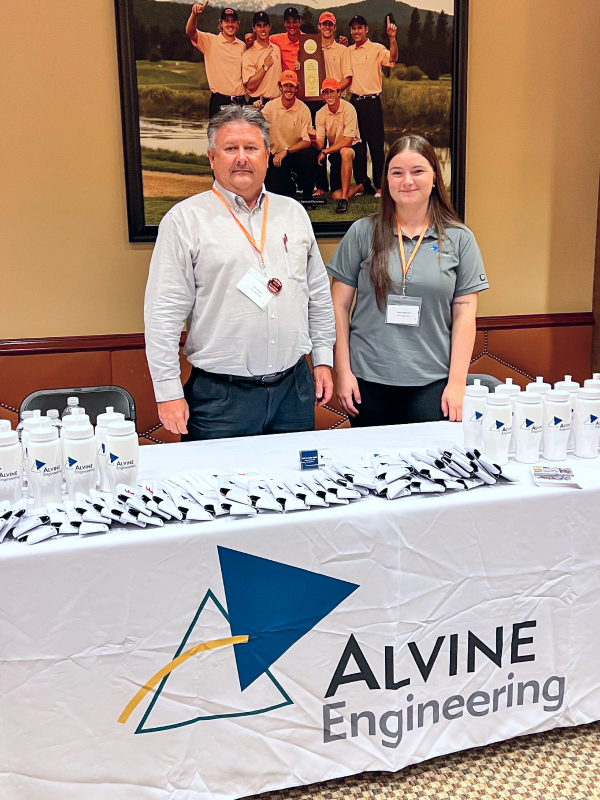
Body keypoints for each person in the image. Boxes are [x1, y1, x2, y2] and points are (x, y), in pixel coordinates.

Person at [144, 105, 335, 441]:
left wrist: (322, 358)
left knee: (293, 491)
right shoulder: (184, 220)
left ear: (266, 154)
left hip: (295, 390)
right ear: (211, 157)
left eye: (251, 148)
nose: (242, 158)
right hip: (222, 399)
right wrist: (168, 391)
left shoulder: (293, 214)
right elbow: (163, 315)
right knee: (219, 493)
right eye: (230, 148)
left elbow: (317, 295)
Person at [327, 133, 489, 426]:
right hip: (366, 382)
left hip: (433, 384)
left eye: (418, 171)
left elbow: (465, 316)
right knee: (373, 469)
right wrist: (343, 371)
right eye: (397, 172)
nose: (407, 181)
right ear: (386, 180)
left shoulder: (459, 239)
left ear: (435, 178)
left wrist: (457, 383)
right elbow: (337, 307)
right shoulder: (362, 232)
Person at [347, 14, 398, 194]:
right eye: (353, 28)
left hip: (373, 102)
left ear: (366, 29)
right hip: (355, 103)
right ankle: (363, 184)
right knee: (357, 146)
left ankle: (380, 186)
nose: (356, 31)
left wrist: (392, 38)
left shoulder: (377, 48)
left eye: (360, 27)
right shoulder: (348, 51)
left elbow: (393, 58)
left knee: (376, 146)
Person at [312, 79, 374, 214]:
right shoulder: (320, 114)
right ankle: (360, 187)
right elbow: (320, 143)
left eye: (332, 91)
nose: (329, 95)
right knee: (335, 195)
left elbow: (347, 141)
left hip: (354, 148)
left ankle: (344, 200)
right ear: (323, 95)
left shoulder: (349, 109)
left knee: (345, 151)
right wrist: (310, 137)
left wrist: (325, 151)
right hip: (335, 151)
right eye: (326, 92)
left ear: (339, 92)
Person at [262, 71, 317, 201]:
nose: (288, 89)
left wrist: (286, 151)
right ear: (280, 87)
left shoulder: (304, 109)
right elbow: (256, 130)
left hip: (294, 153)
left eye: (292, 86)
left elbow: (307, 141)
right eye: (285, 85)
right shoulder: (270, 107)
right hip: (276, 157)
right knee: (278, 191)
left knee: (310, 154)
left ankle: (307, 195)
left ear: (296, 88)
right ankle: (291, 184)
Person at [185, 3, 246, 119]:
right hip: (220, 101)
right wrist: (194, 14)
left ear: (238, 25)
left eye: (233, 21)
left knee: (242, 137)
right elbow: (190, 32)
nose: (230, 24)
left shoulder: (242, 46)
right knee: (218, 137)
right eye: (226, 21)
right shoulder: (210, 41)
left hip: (240, 102)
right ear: (221, 24)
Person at [242, 12, 282, 105]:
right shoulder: (248, 54)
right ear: (254, 28)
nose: (262, 29)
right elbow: (250, 86)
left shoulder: (276, 49)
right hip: (258, 102)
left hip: (277, 102)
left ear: (269, 27)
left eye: (265, 25)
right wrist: (264, 67)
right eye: (259, 26)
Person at [318, 12, 352, 95]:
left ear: (335, 28)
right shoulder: (313, 50)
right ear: (319, 26)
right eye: (324, 24)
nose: (327, 27)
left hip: (337, 98)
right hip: (316, 99)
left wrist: (332, 92)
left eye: (330, 24)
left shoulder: (343, 50)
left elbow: (348, 78)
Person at [266, 7, 302, 73]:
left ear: (299, 22)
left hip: (304, 80)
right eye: (288, 22)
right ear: (284, 24)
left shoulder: (308, 40)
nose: (291, 25)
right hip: (286, 81)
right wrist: (249, 43)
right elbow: (261, 42)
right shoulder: (276, 39)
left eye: (294, 22)